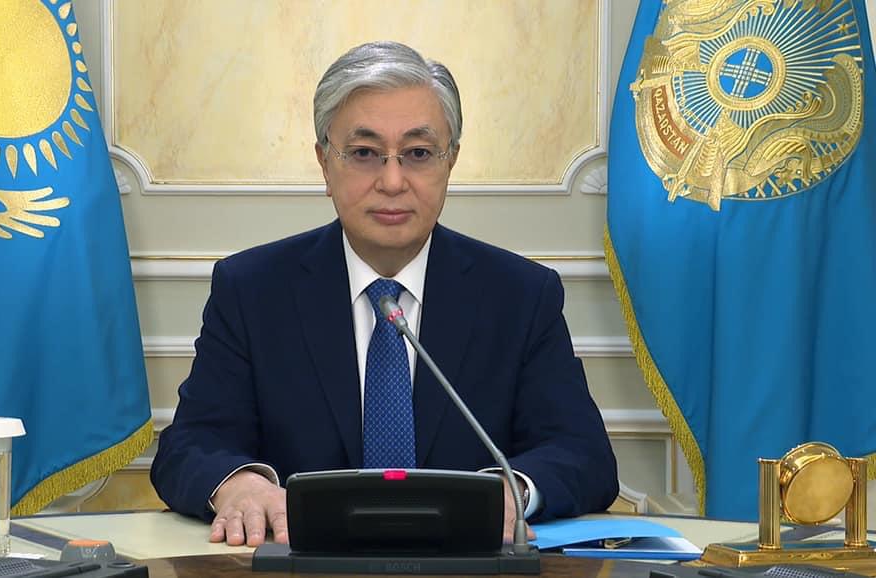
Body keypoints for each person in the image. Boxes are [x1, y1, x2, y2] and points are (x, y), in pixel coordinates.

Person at [150, 40, 618, 547]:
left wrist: (512, 492)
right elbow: (189, 444)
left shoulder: (521, 296)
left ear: (450, 162)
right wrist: (239, 485)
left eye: (418, 154)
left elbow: (582, 454)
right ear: (324, 163)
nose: (392, 182)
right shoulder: (252, 290)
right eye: (364, 154)